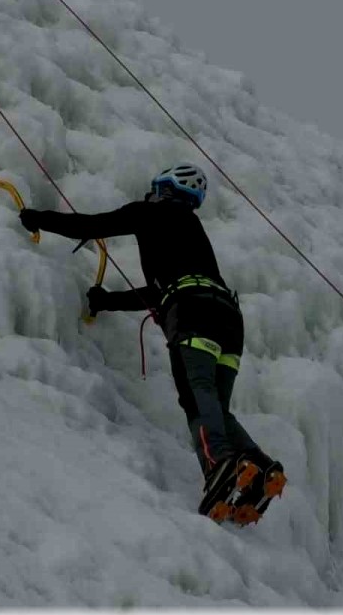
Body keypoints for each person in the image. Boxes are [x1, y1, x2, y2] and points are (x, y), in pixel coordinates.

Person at [18, 164, 286, 525]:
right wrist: (108, 301)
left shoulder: (149, 212)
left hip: (192, 313)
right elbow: (159, 294)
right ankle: (259, 466)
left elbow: (90, 226)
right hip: (229, 321)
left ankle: (221, 463)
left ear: (164, 190)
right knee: (216, 408)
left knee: (197, 395)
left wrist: (38, 218)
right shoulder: (193, 231)